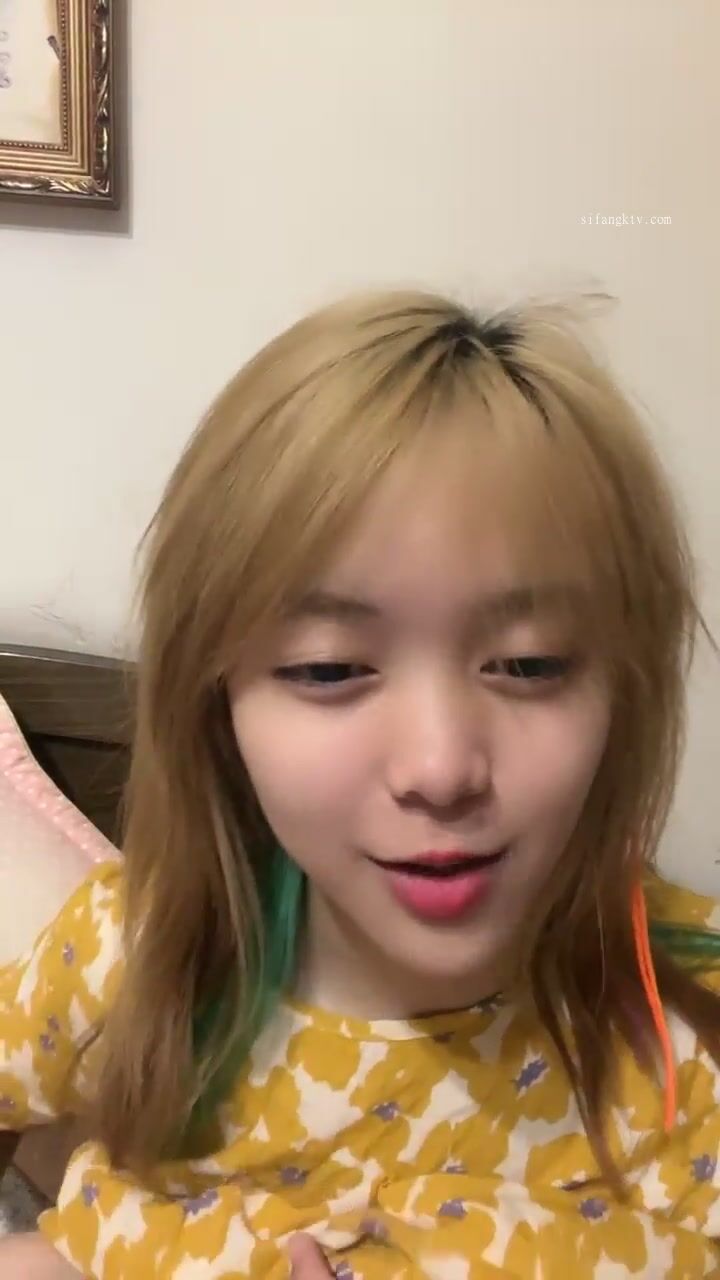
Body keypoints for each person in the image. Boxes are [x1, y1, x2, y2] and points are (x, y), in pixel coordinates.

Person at [1, 288, 720, 1280]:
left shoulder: (690, 1043)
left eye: (531, 662)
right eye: (330, 667)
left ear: (625, 690)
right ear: (217, 703)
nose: (440, 768)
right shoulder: (139, 951)